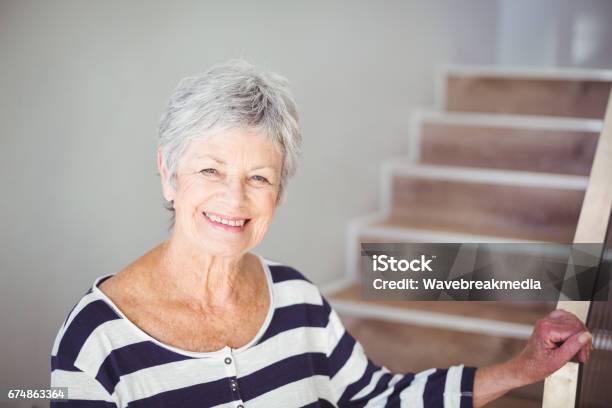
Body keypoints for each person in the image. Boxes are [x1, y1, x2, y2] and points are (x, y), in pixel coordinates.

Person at [50, 60, 592, 407]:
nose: (234, 199)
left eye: (258, 177)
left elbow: (378, 396)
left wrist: (521, 369)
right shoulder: (97, 340)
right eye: (210, 170)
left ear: (278, 193)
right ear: (168, 174)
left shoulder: (297, 298)